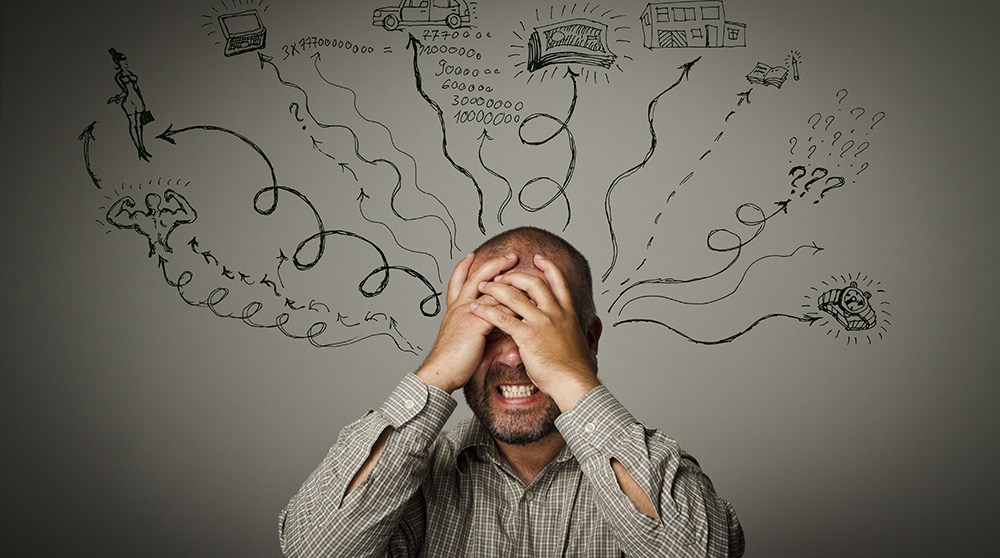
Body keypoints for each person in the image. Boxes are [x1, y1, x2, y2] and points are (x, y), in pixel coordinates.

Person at [278, 226, 744, 557]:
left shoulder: (645, 469)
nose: (514, 356)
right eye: (489, 324)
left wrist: (570, 376)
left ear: (590, 339)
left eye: (537, 324)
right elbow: (312, 548)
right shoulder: (416, 476)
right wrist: (435, 373)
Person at [107, 48, 153, 162]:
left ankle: (142, 147)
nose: (126, 61)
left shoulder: (131, 73)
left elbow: (137, 88)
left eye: (126, 59)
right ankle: (139, 148)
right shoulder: (119, 76)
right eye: (123, 60)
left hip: (137, 99)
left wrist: (142, 102)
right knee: (134, 124)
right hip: (128, 101)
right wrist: (116, 97)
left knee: (140, 125)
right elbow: (125, 90)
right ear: (119, 63)